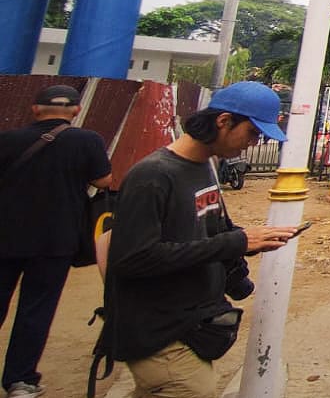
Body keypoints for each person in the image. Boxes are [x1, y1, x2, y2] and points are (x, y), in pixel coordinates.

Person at [104, 81, 299, 398]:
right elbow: (133, 258)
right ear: (224, 121)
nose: (254, 143)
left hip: (188, 318)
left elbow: (208, 232)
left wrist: (246, 244)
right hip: (159, 327)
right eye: (252, 133)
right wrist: (238, 242)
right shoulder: (152, 176)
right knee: (193, 389)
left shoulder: (204, 167)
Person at [0, 84, 112, 398]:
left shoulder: (8, 140)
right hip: (55, 240)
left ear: (35, 109)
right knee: (35, 310)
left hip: (5, 236)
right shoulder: (87, 140)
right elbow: (104, 180)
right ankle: (20, 381)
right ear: (75, 111)